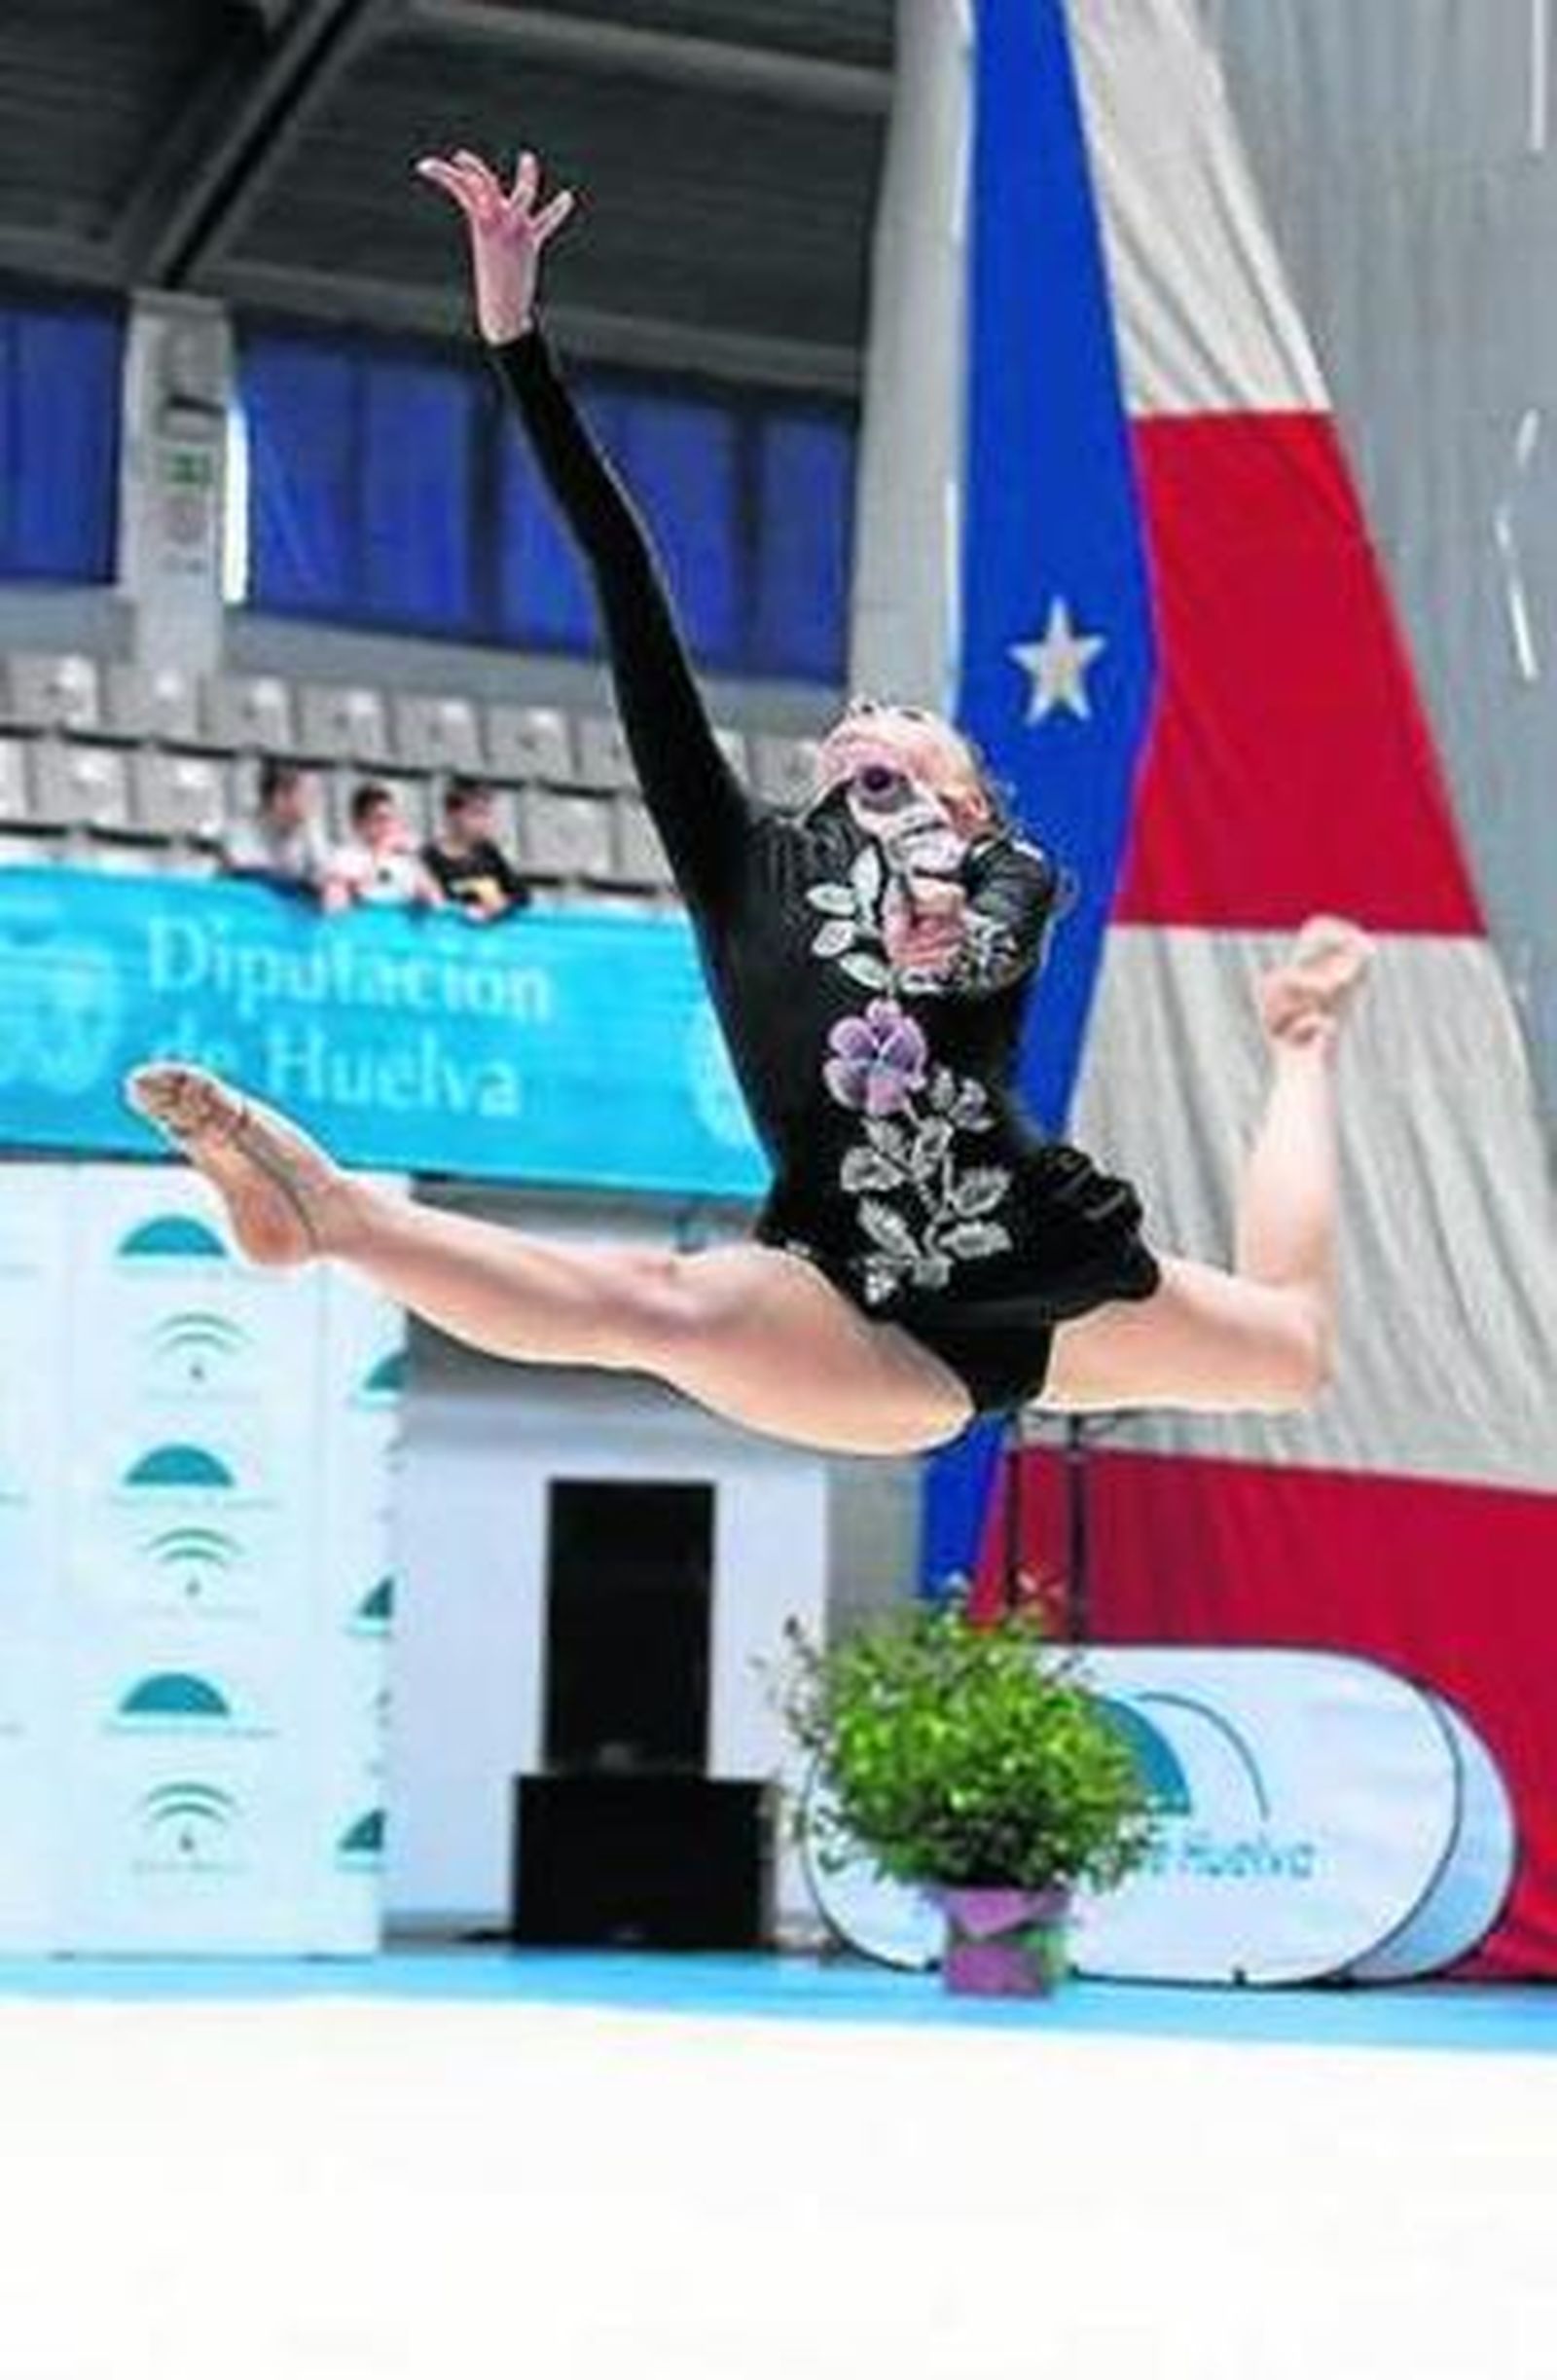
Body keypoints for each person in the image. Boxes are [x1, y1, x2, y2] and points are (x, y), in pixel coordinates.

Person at [124, 143, 1374, 1461]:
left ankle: (1301, 1038)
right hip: (860, 1317)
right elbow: (622, 571)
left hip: (1048, 1280)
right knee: (652, 1305)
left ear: (963, 792)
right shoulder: (745, 866)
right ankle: (331, 1219)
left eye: (906, 718)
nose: (870, 712)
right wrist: (515, 343)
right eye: (858, 717)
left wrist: (945, 929)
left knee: (1292, 1350)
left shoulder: (1001, 864)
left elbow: (992, 940)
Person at [324, 782, 445, 914]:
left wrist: (416, 858)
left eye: (392, 818)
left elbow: (435, 901)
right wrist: (381, 853)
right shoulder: (345, 858)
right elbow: (337, 906)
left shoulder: (407, 861)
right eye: (380, 819)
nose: (388, 825)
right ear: (360, 824)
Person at [220, 758, 331, 898]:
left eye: (313, 796)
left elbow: (323, 875)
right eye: (307, 795)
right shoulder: (242, 831)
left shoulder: (308, 828)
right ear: (280, 797)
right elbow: (244, 876)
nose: (311, 806)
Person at [421, 781, 531, 920]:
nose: (484, 822)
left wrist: (502, 903)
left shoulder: (489, 853)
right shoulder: (429, 857)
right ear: (452, 815)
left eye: (487, 815)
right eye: (476, 814)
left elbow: (523, 896)